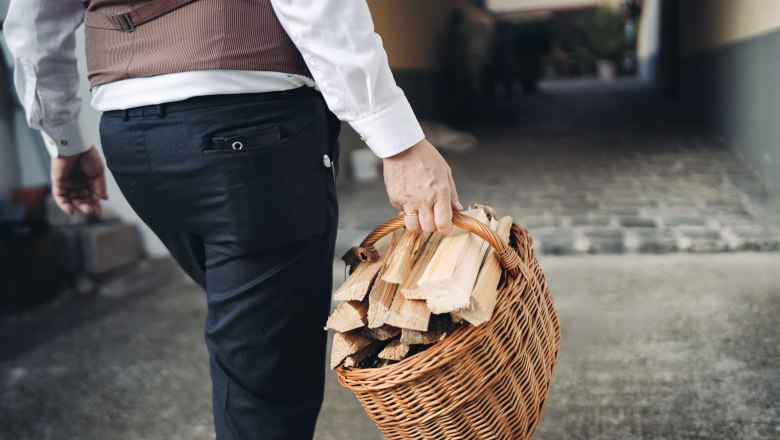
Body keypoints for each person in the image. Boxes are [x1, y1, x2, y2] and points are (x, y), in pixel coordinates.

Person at [4, 0, 462, 438]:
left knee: (253, 338)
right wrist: (397, 141)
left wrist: (63, 137)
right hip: (251, 129)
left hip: (133, 140)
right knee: (265, 377)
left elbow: (32, 25)